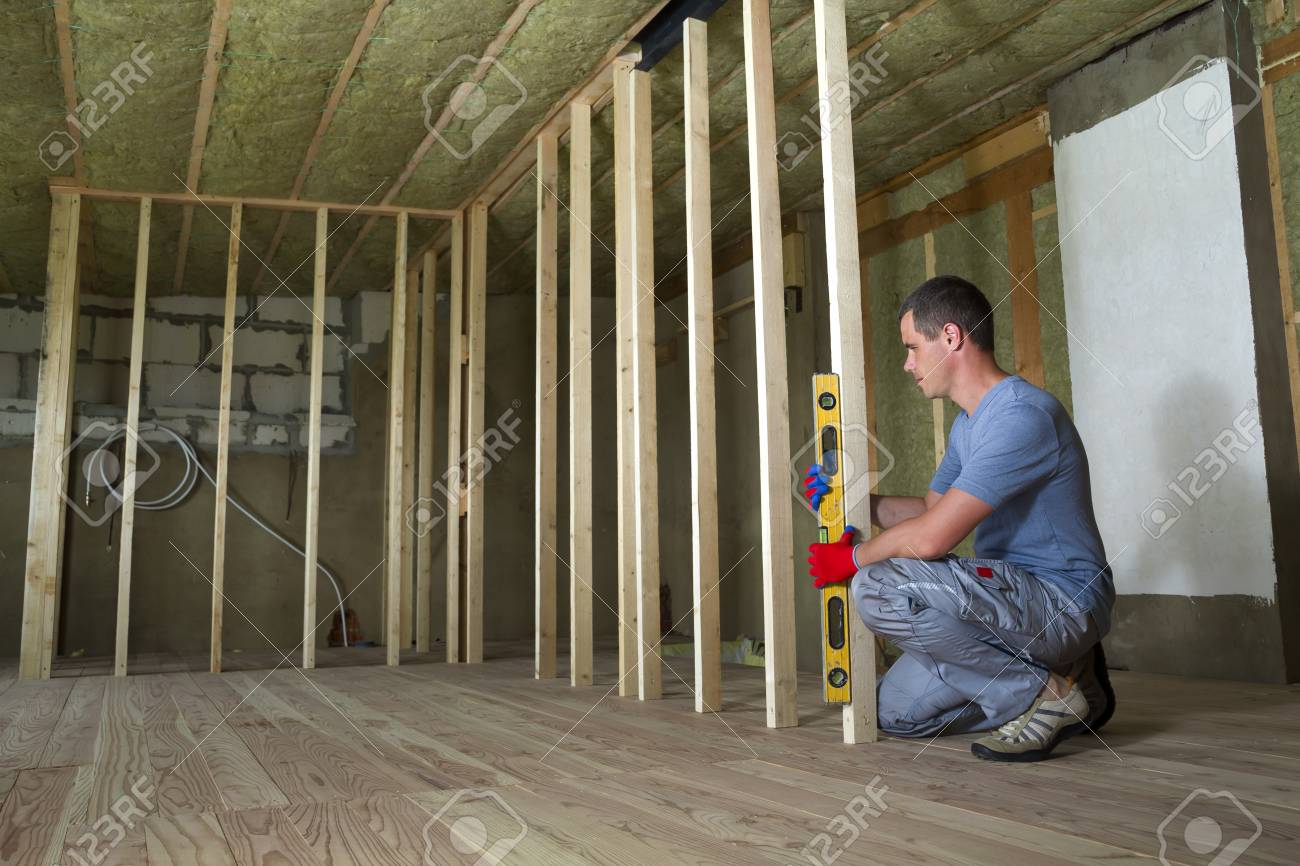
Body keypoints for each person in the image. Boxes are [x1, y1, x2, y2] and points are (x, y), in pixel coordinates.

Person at [804, 275, 1115, 762]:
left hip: (1060, 600)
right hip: (1010, 603)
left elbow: (931, 539)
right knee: (895, 713)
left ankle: (1048, 695)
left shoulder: (1021, 416)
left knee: (878, 585)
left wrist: (854, 557)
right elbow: (933, 510)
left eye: (912, 347)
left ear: (951, 337)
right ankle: (1072, 682)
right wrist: (850, 502)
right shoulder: (969, 421)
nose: (908, 364)